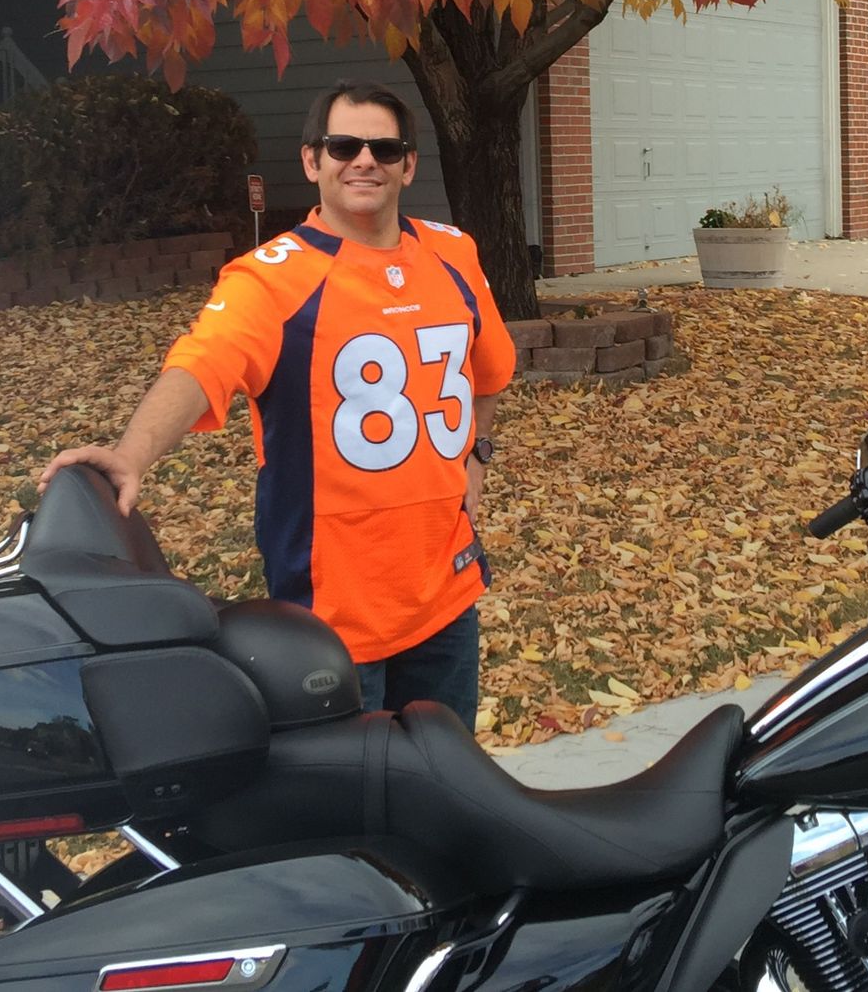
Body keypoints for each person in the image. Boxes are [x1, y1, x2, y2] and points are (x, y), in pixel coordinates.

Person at [39, 78, 515, 727]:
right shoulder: (272, 278)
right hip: (333, 611)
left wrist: (477, 456)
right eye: (344, 146)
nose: (364, 161)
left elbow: (489, 371)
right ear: (312, 160)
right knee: (353, 788)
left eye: (383, 148)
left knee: (446, 773)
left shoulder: (453, 252)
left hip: (446, 591)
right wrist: (131, 454)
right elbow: (202, 364)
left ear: (408, 164)